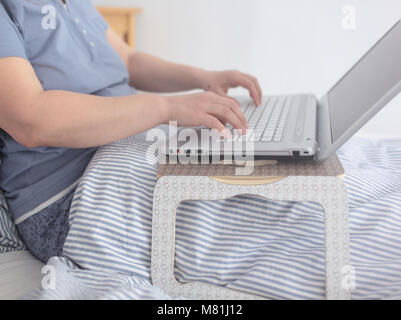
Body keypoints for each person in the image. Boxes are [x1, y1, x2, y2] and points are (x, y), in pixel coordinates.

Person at [0, 0, 262, 262]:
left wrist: (204, 78)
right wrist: (166, 108)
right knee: (245, 216)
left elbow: (128, 59)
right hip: (67, 194)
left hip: (126, 150)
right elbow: (30, 118)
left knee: (260, 178)